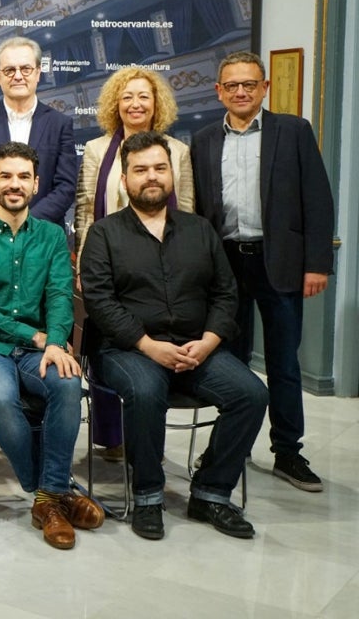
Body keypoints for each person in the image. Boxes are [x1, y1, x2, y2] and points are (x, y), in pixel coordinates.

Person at [81, 131, 268, 541]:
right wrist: (148, 345)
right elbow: (100, 301)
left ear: (172, 174)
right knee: (147, 392)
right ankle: (148, 495)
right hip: (127, 350)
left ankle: (211, 491)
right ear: (125, 179)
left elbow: (225, 293)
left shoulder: (200, 230)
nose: (152, 177)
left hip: (196, 347)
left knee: (251, 395)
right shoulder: (104, 234)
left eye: (159, 168)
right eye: (141, 170)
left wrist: (209, 342)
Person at [191, 51, 334, 492]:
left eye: (248, 84)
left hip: (282, 263)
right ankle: (234, 446)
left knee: (283, 362)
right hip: (226, 264)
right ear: (218, 91)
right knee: (229, 363)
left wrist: (317, 264)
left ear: (264, 88)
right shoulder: (203, 140)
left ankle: (288, 452)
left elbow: (318, 199)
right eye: (231, 85)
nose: (240, 92)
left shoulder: (292, 131)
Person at [0, 142, 102, 550]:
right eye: (6, 176)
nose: (14, 184)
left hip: (40, 349)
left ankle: (46, 499)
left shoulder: (53, 236)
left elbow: (58, 296)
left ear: (36, 185)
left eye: (23, 177)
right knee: (0, 398)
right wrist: (33, 337)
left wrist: (55, 343)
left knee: (68, 383)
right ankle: (55, 493)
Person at [0, 36, 77, 457]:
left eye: (26, 68)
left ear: (39, 72)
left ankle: (44, 454)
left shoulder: (59, 123)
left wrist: (29, 225)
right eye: (9, 69)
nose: (18, 76)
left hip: (38, 236)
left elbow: (64, 183)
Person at [74, 66, 194, 461]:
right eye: (127, 96)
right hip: (108, 268)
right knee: (108, 340)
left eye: (143, 96)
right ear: (115, 104)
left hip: (164, 273)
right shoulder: (96, 150)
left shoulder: (178, 151)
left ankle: (147, 435)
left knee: (153, 344)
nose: (135, 103)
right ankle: (112, 438)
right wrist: (82, 265)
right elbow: (86, 211)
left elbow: (188, 212)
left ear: (156, 102)